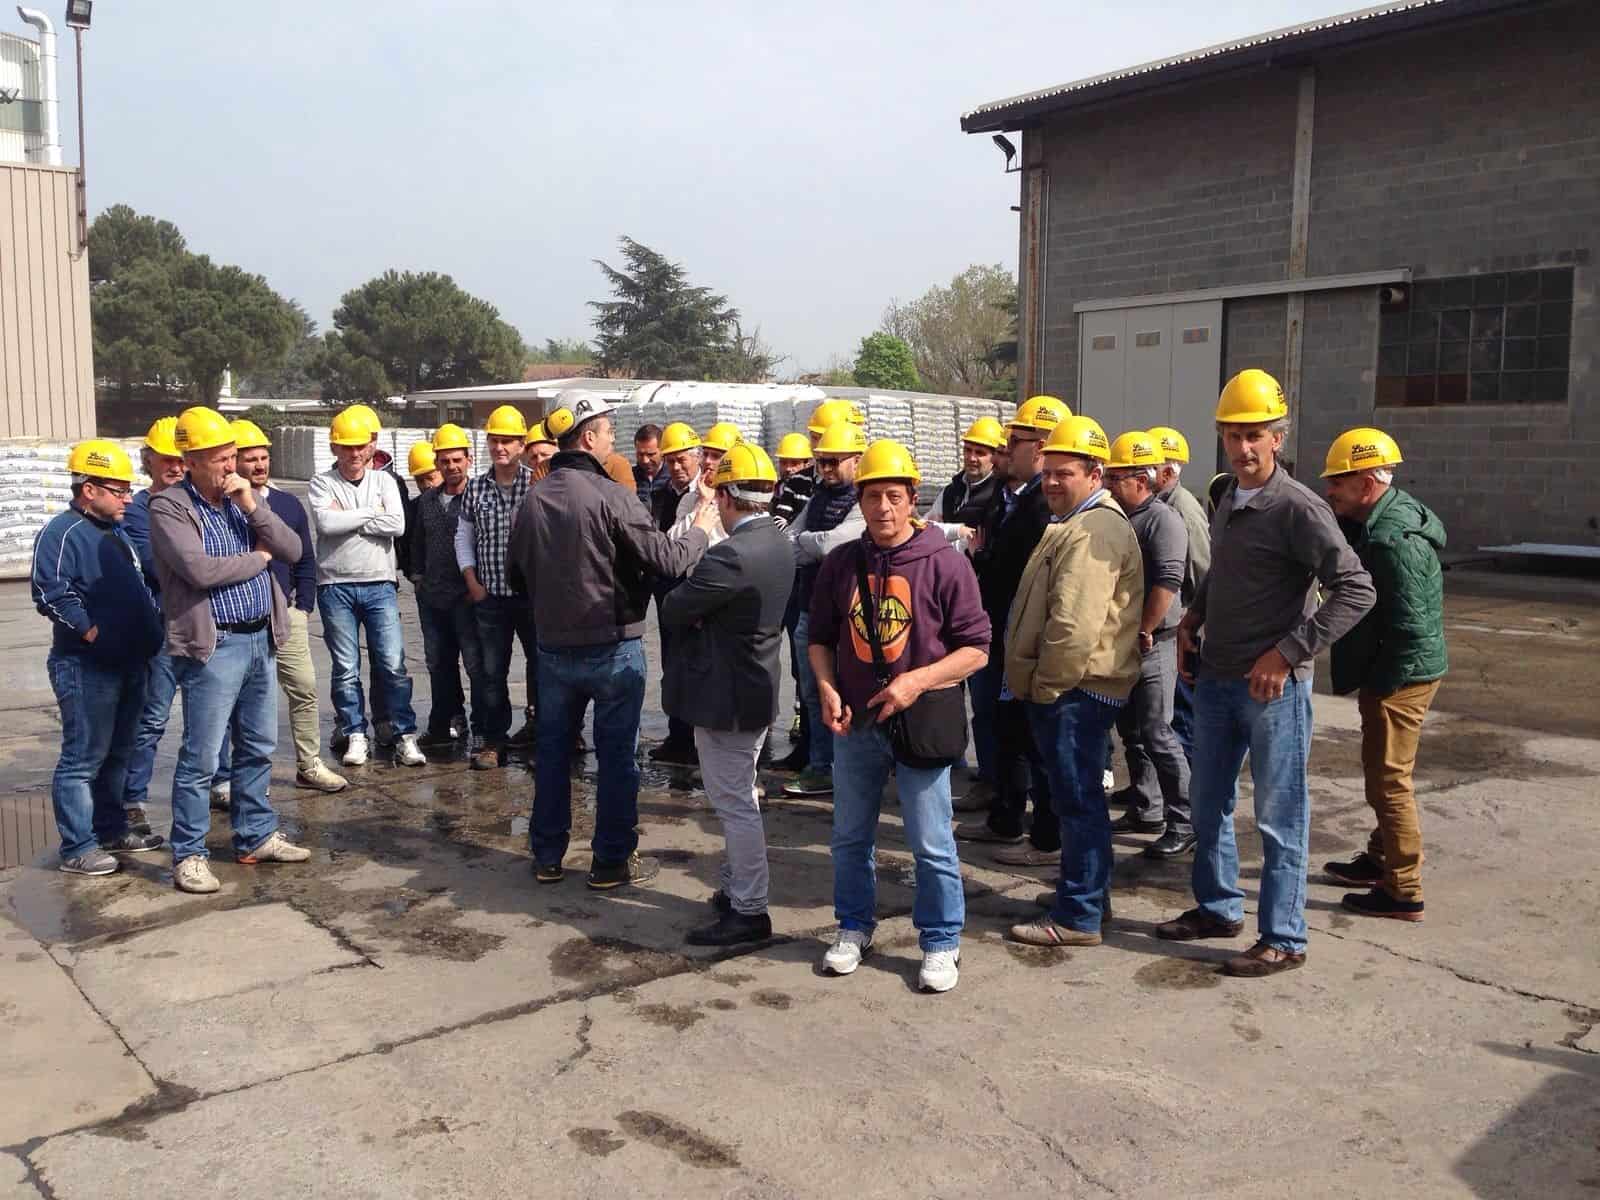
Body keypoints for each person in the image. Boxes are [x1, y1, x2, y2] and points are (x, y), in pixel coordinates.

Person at [1159, 370, 1375, 976]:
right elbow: (1225, 572)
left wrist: (1288, 652)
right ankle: (1219, 907)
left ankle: (1284, 936)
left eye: (1256, 435)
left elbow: (1356, 590)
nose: (1244, 448)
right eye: (1233, 435)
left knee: (1281, 818)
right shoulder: (1227, 497)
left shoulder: (1298, 508)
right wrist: (1191, 620)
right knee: (1207, 805)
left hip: (1274, 691)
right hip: (1217, 681)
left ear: (1278, 437)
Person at [510, 394, 718, 889]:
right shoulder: (612, 496)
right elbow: (666, 559)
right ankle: (610, 861)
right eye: (606, 430)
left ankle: (547, 856)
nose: (611, 439)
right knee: (617, 757)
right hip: (612, 647)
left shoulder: (534, 500)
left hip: (554, 650)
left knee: (554, 753)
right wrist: (703, 529)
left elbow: (519, 574)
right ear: (587, 437)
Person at [810, 439, 990, 993]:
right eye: (872, 497)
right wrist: (825, 687)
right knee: (848, 837)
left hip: (919, 723)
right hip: (856, 724)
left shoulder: (945, 563)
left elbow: (977, 648)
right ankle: (853, 926)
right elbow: (819, 637)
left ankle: (940, 941)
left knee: (930, 840)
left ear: (913, 499)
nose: (882, 508)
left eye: (893, 496)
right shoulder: (841, 563)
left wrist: (917, 680)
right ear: (858, 501)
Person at [149, 406, 312, 894]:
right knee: (201, 757)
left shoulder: (241, 501)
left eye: (232, 456)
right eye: (220, 459)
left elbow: (294, 549)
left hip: (261, 636)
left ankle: (256, 835)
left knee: (259, 746)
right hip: (215, 644)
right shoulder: (170, 508)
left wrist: (253, 506)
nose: (230, 466)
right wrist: (257, 558)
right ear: (192, 460)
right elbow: (199, 571)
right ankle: (190, 854)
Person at [1003, 416, 1143, 948]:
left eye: (1066, 473)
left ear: (1096, 473)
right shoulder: (1078, 523)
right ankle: (1086, 894)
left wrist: (1046, 686)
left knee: (1078, 802)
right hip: (1074, 688)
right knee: (1077, 800)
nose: (1054, 482)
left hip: (1076, 690)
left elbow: (1073, 624)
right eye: (1049, 472)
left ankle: (1079, 915)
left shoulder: (1093, 530)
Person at [660, 443, 794, 945]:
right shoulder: (779, 541)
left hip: (727, 696)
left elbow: (674, 606)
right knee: (741, 797)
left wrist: (698, 606)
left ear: (726, 499)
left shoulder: (730, 556)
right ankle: (739, 888)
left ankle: (750, 909)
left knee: (734, 803)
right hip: (755, 688)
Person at [1321, 428, 1447, 922]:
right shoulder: (1380, 520)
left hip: (1400, 675)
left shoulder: (1394, 543)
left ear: (1368, 484)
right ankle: (1379, 859)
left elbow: (1410, 623)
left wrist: (1384, 684)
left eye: (1339, 481)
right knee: (1383, 772)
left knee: (1389, 782)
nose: (1330, 489)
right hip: (1395, 668)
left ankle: (1404, 888)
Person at [31, 440, 166, 875]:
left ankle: (111, 829)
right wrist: (91, 631)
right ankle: (77, 846)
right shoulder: (61, 533)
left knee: (118, 754)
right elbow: (50, 592)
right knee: (82, 758)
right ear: (88, 489)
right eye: (118, 488)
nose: (128, 497)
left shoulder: (118, 532)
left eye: (128, 489)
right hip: (87, 666)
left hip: (131, 663)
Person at [954, 395, 1068, 866]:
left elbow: (1018, 572)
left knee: (1036, 740)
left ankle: (1045, 836)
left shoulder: (1041, 505)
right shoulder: (1019, 500)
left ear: (1039, 447)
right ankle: (1008, 816)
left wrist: (982, 559)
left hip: (1025, 638)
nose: (1004, 450)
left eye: (1013, 442)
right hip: (1006, 632)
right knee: (1011, 730)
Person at [232, 419, 347, 792]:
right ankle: (246, 777)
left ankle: (309, 765)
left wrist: (304, 606)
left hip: (286, 615)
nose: (260, 466)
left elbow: (305, 558)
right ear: (234, 462)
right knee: (245, 701)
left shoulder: (286, 504)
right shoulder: (224, 507)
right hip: (240, 617)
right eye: (250, 459)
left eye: (264, 457)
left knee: (304, 688)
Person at [308, 407, 425, 769]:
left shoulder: (385, 482)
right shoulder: (321, 483)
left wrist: (350, 518)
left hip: (379, 585)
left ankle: (405, 735)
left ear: (372, 445)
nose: (354, 454)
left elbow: (398, 524)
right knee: (345, 668)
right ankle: (355, 732)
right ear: (334, 447)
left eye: (360, 446)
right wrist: (370, 514)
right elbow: (326, 524)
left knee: (392, 664)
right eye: (346, 447)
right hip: (335, 587)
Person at [1099, 431, 1192, 856]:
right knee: (1132, 731)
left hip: (1155, 642)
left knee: (1158, 731)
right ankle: (1146, 806)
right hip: (1130, 640)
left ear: (1143, 478)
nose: (1109, 485)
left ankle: (1185, 820)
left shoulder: (1163, 520)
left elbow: (1168, 583)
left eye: (1116, 478)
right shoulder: (1123, 517)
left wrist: (1146, 630)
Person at [782, 418, 870, 799]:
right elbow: (789, 540)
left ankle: (851, 768)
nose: (828, 470)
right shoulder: (818, 497)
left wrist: (807, 543)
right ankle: (821, 767)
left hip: (848, 614)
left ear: (857, 460)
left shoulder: (863, 499)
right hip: (809, 609)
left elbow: (834, 544)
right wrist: (809, 542)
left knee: (849, 691)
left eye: (836, 461)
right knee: (814, 691)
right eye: (823, 462)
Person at [123, 417, 195, 834]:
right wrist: (203, 562)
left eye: (180, 459)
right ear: (148, 461)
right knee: (152, 717)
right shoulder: (137, 510)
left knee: (212, 713)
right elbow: (156, 564)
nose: (174, 467)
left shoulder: (200, 502)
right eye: (166, 459)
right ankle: (133, 797)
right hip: (164, 627)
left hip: (205, 621)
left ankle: (218, 782)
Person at [455, 404, 536, 769]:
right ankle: (494, 741)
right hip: (490, 598)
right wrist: (472, 581)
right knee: (492, 673)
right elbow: (463, 539)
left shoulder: (538, 484)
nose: (500, 447)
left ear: (521, 444)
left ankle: (544, 733)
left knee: (542, 668)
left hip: (532, 598)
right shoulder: (475, 490)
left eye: (507, 441)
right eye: (494, 440)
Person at [407, 423, 485, 752]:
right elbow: (416, 545)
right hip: (433, 600)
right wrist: (418, 578)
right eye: (444, 460)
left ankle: (484, 728)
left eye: (457, 459)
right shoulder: (426, 502)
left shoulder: (480, 496)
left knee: (475, 666)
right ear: (436, 463)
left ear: (469, 459)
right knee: (439, 665)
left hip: (467, 599)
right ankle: (443, 724)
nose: (451, 466)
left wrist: (478, 587)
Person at [1147, 425, 1211, 778]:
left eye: (1150, 466)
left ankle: (1188, 806)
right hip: (1174, 628)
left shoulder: (1184, 511)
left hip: (1183, 631)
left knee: (1181, 721)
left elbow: (1204, 571)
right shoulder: (1161, 506)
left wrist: (1195, 627)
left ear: (1168, 472)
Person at [769, 430, 818, 772]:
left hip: (804, 583)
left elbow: (789, 532)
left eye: (795, 462)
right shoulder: (788, 488)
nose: (789, 468)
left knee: (807, 665)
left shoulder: (809, 488)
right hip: (788, 583)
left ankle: (810, 736)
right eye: (784, 462)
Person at [933, 416, 1003, 542]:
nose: (971, 458)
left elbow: (977, 543)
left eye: (980, 453)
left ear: (995, 457)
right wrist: (957, 531)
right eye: (968, 450)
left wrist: (941, 532)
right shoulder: (950, 491)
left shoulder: (999, 496)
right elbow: (926, 529)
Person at [632, 422, 666, 503]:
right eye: (640, 454)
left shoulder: (673, 477)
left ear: (662, 450)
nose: (645, 460)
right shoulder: (630, 477)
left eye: (651, 454)